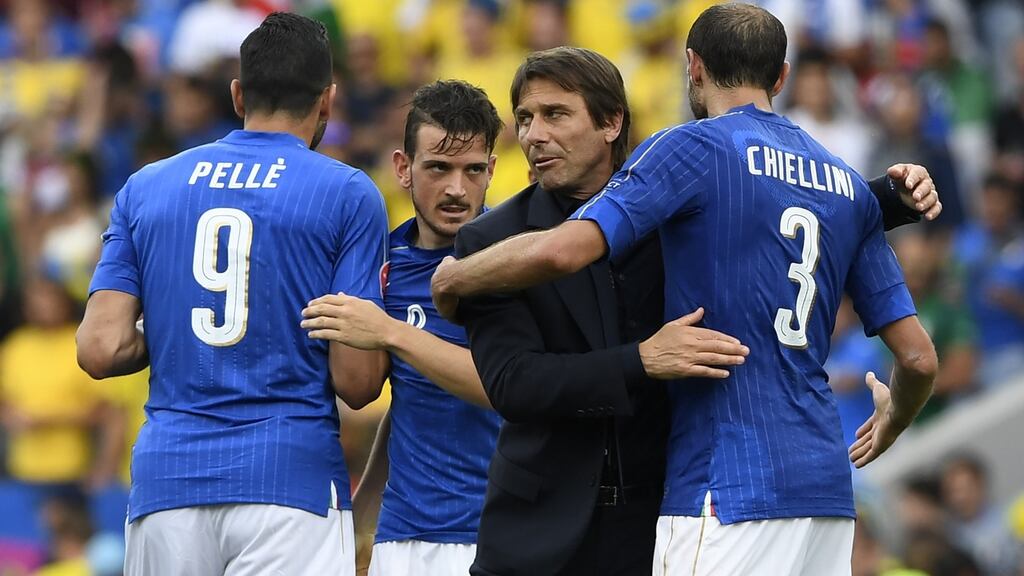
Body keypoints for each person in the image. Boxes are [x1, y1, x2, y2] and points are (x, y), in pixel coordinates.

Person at [431, 6, 940, 573]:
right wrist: (892, 421)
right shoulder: (847, 186)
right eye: (525, 118)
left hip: (727, 485)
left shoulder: (690, 149)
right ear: (781, 77)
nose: (534, 132)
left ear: (692, 68)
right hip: (824, 490)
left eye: (554, 113)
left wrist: (454, 276)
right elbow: (918, 359)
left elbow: (559, 249)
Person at [76, 12, 388, 576]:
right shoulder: (347, 192)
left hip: (166, 483)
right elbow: (358, 382)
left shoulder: (145, 186)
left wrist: (173, 329)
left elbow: (100, 349)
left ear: (238, 94)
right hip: (290, 481)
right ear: (327, 100)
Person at [300, 80, 504, 576]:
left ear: (492, 171)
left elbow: (509, 386)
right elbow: (407, 402)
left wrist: (392, 333)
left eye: (473, 170)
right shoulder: (383, 268)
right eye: (438, 167)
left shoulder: (514, 260)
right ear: (403, 169)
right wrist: (362, 523)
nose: (457, 189)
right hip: (403, 539)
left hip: (501, 533)